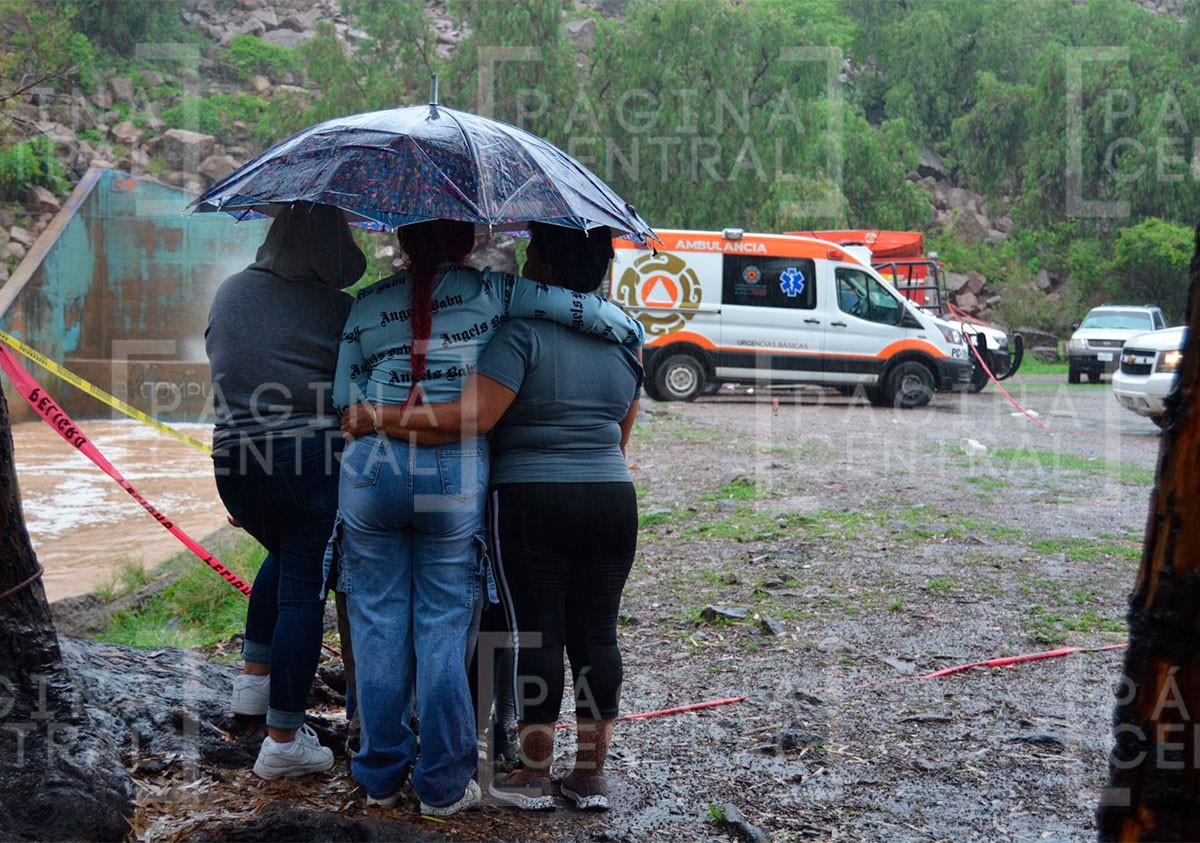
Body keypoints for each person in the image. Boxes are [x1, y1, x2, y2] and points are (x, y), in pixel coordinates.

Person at [331, 219, 642, 817]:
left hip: (374, 466)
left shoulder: (366, 303)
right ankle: (446, 784)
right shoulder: (501, 295)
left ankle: (381, 776)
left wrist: (378, 409)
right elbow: (586, 316)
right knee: (449, 624)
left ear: (403, 241)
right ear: (466, 241)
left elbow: (345, 398)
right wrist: (630, 327)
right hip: (464, 471)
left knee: (376, 621)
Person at [206, 202, 365, 780]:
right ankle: (284, 740)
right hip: (306, 465)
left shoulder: (229, 292)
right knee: (304, 594)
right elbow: (355, 390)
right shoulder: (339, 309)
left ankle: (253, 681)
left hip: (233, 466)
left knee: (285, 553)